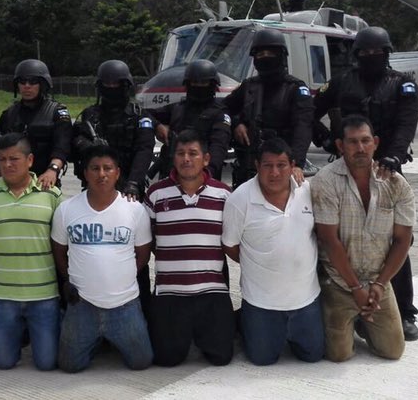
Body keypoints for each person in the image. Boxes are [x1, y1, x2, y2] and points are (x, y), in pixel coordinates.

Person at [312, 26, 418, 341]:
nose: (370, 57)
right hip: (346, 169)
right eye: (364, 52)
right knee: (341, 238)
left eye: (377, 52)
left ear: (387, 53)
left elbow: (405, 124)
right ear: (355, 54)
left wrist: (394, 158)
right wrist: (327, 141)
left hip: (386, 170)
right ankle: (347, 305)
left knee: (398, 243)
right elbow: (309, 111)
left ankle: (403, 312)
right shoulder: (342, 82)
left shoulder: (403, 85)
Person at [311, 115, 415, 362]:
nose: (360, 148)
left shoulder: (397, 184)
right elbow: (329, 239)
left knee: (393, 352)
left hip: (377, 280)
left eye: (365, 141)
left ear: (376, 142)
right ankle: (344, 314)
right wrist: (355, 288)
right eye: (353, 142)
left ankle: (362, 322)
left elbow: (402, 240)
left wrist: (379, 285)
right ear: (340, 145)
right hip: (338, 281)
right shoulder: (325, 181)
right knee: (339, 355)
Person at [222, 137, 324, 365]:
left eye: (281, 165)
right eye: (267, 165)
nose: (275, 172)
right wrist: (259, 262)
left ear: (293, 166)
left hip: (306, 300)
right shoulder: (239, 199)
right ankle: (245, 320)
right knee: (262, 359)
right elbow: (230, 245)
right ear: (257, 165)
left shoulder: (307, 191)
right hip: (262, 303)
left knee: (314, 356)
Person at [51, 144, 153, 372]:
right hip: (82, 305)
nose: (101, 174)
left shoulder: (135, 210)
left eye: (108, 168)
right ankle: (93, 338)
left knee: (141, 362)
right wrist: (68, 278)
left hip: (125, 305)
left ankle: (109, 336)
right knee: (69, 366)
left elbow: (143, 254)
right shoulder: (66, 209)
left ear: (117, 172)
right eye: (95, 168)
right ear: (85, 173)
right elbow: (59, 250)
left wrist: (120, 278)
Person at [71, 59, 156, 314]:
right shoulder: (89, 116)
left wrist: (132, 183)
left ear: (126, 85)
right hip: (95, 191)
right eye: (106, 84)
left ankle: (140, 311)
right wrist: (88, 147)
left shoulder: (140, 115)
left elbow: (144, 150)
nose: (111, 88)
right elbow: (74, 142)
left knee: (134, 251)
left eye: (116, 84)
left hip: (130, 191)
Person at [144, 130, 234, 367]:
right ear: (173, 158)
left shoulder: (224, 194)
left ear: (205, 159)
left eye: (193, 153)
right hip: (169, 293)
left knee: (221, 357)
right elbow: (149, 238)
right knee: (167, 359)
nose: (186, 159)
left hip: (212, 290)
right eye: (181, 153)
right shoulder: (155, 194)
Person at [0, 133, 63, 370]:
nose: (7, 165)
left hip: (43, 296)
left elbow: (61, 242)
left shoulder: (52, 195)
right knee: (2, 362)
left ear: (30, 160)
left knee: (47, 363)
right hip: (2, 295)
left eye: (14, 158)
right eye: (2, 159)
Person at [223, 28, 314, 188]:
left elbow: (303, 128)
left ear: (282, 55)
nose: (265, 57)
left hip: (280, 167)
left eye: (271, 53)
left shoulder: (295, 88)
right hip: (249, 166)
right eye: (260, 54)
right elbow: (223, 107)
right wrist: (236, 123)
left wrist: (297, 163)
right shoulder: (249, 86)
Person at [0, 59, 71, 191]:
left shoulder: (57, 112)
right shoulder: (9, 114)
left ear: (43, 84)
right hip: (11, 186)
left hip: (45, 182)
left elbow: (62, 146)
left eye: (33, 81)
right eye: (22, 81)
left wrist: (52, 170)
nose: (27, 86)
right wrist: (4, 181)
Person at [151, 59, 232, 179]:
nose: (199, 86)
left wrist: (204, 178)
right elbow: (143, 114)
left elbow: (218, 150)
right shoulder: (177, 108)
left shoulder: (219, 114)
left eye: (204, 82)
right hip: (170, 178)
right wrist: (158, 125)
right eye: (194, 82)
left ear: (213, 85)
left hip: (203, 180)